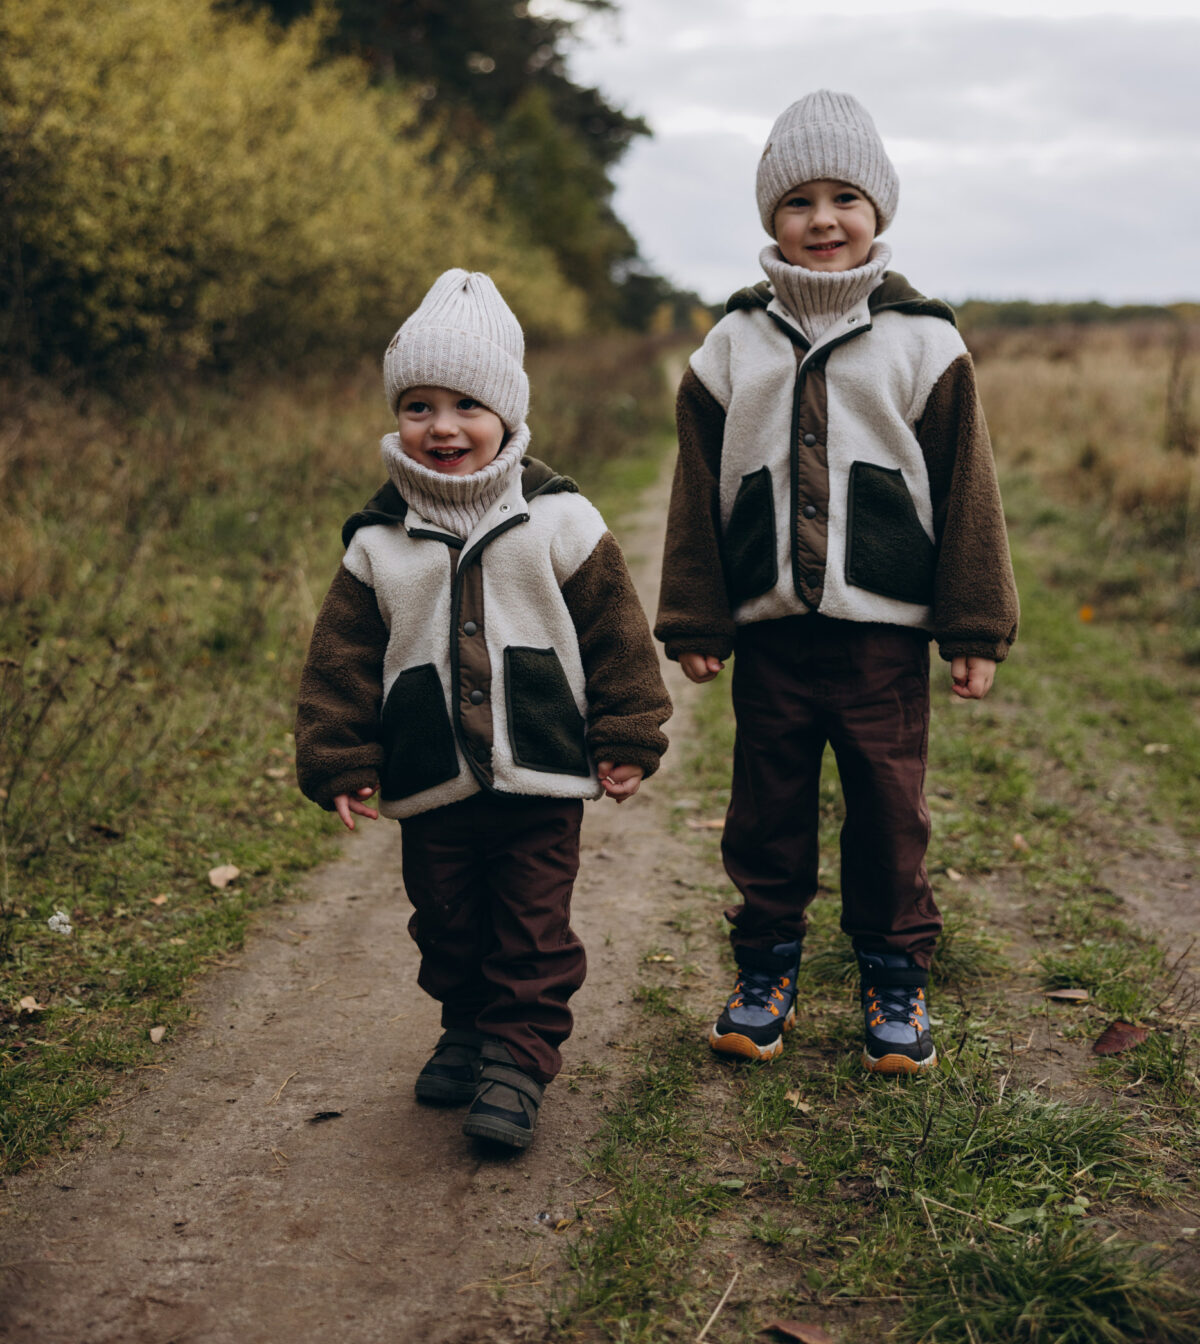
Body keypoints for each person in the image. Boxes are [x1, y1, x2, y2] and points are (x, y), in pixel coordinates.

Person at [655, 91, 1018, 1074]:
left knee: (889, 812)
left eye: (845, 198)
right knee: (765, 812)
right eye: (799, 201)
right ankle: (764, 970)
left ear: (878, 210)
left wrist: (974, 627)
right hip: (772, 636)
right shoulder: (732, 344)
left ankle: (894, 977)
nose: (823, 220)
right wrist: (695, 615)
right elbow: (696, 490)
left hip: (881, 641)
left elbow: (969, 490)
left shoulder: (923, 341)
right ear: (770, 217)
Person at [295, 268, 671, 1147]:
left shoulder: (561, 521)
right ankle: (466, 1027)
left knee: (532, 926)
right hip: (432, 776)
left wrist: (626, 733)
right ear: (396, 416)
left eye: (467, 404)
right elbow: (341, 661)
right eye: (418, 406)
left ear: (506, 413)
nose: (443, 426)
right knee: (447, 920)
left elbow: (617, 635)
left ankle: (517, 1059)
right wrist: (339, 756)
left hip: (541, 773)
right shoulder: (377, 541)